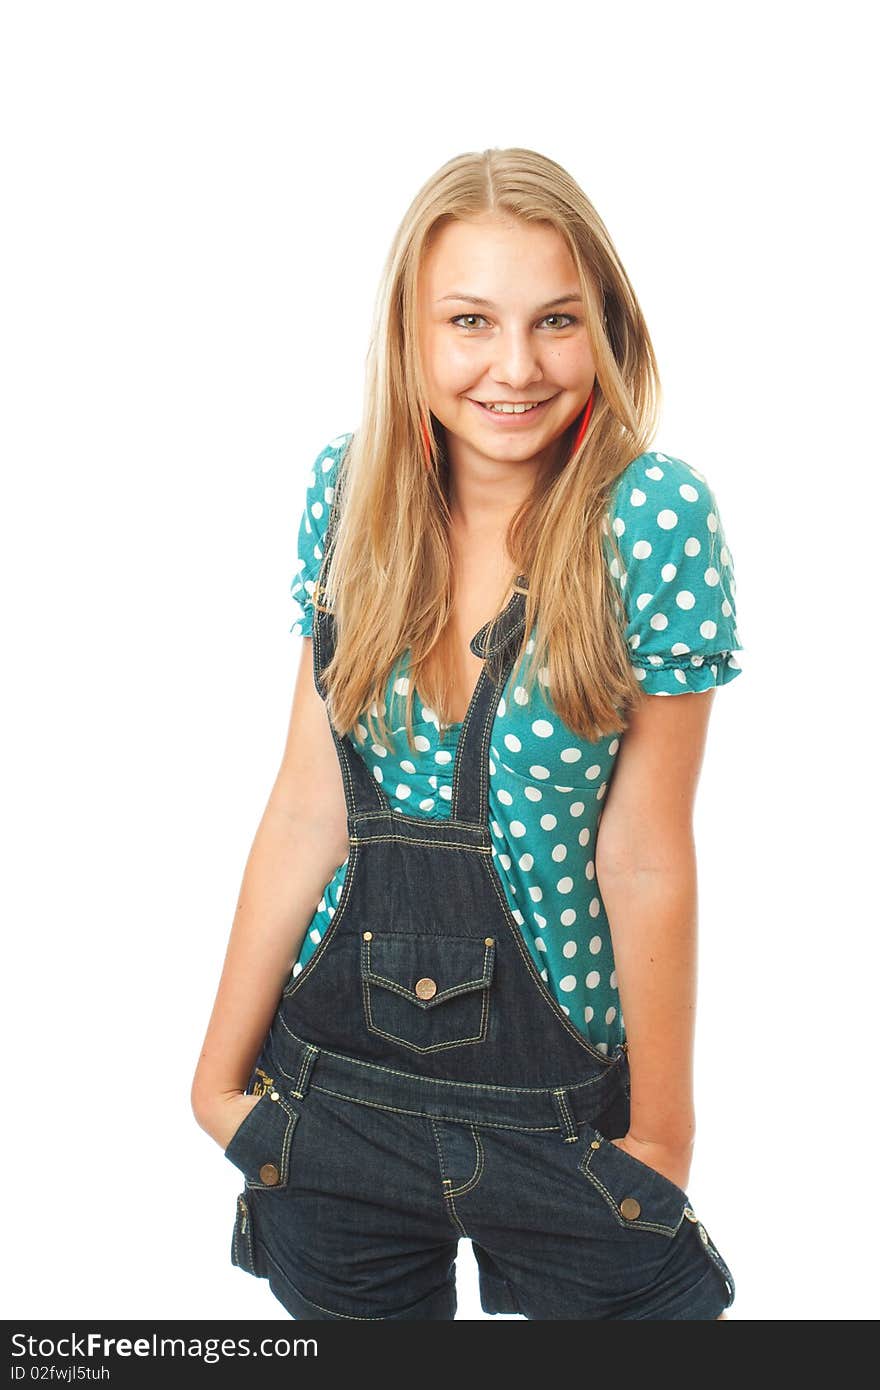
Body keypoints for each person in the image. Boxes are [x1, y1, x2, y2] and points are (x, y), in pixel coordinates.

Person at [190, 146, 743, 1321]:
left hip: (562, 1115)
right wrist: (215, 1083)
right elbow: (305, 804)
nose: (514, 366)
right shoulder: (349, 495)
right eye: (469, 321)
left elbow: (645, 850)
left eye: (554, 321)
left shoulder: (650, 519)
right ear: (409, 335)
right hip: (332, 1096)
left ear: (605, 329)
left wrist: (663, 1131)